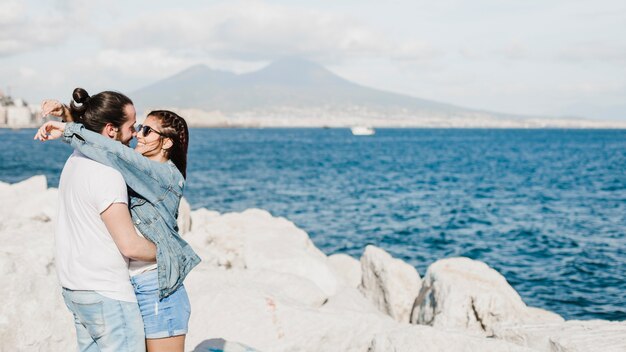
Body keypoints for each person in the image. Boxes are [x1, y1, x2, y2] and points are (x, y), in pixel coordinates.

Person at [35, 88, 201, 352]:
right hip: (133, 285)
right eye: (137, 127)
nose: (137, 134)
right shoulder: (126, 170)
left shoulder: (164, 177)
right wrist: (70, 117)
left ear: (167, 142)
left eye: (146, 130)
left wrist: (68, 129)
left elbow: (114, 150)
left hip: (158, 287)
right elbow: (105, 144)